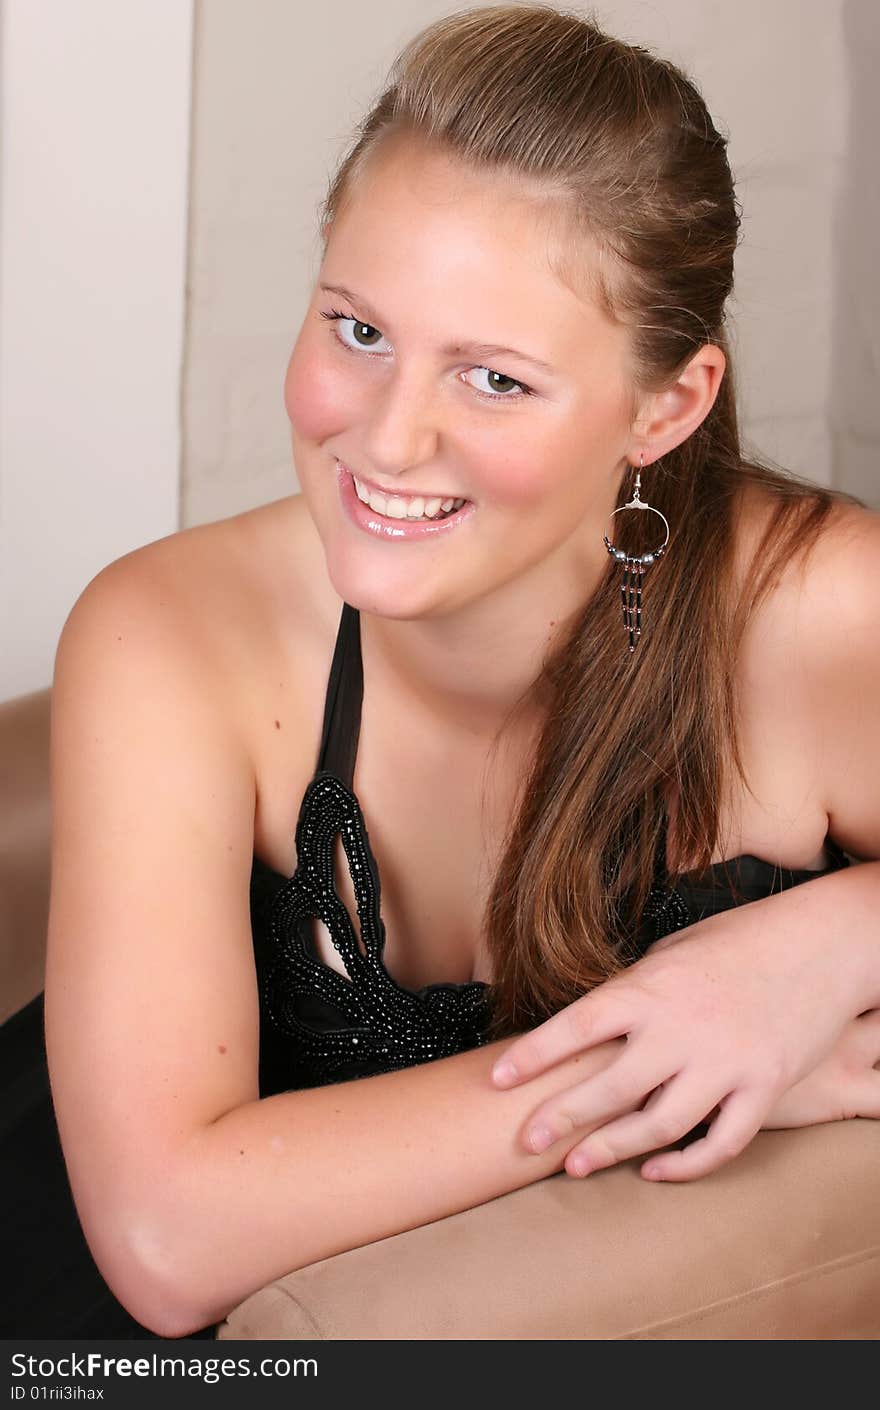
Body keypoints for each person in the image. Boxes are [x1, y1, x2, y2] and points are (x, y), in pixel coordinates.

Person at [44, 4, 880, 1339]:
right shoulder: (169, 633)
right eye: (359, 331)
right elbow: (163, 1235)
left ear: (665, 407)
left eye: (495, 378)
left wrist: (820, 943)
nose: (387, 437)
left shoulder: (819, 614)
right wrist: (662, 1052)